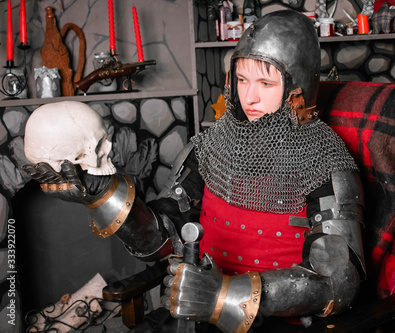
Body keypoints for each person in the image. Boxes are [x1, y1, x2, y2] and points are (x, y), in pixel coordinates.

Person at [23, 10, 365, 333]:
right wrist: (102, 194)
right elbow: (163, 238)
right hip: (197, 317)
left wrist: (223, 295)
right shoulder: (210, 147)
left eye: (265, 83)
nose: (249, 96)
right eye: (242, 79)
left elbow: (337, 282)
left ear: (297, 90)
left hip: (275, 322)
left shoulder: (323, 161)